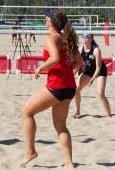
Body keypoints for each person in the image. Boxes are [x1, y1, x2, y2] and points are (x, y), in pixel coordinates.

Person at [20, 10, 83, 168]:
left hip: (57, 86)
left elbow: (55, 58)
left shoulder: (52, 38)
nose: (44, 18)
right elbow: (79, 61)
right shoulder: (66, 38)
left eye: (47, 17)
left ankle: (30, 151)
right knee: (61, 126)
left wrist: (39, 68)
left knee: (26, 113)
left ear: (51, 22)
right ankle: (69, 163)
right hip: (69, 87)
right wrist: (69, 71)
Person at [73, 34, 112, 118]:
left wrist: (92, 79)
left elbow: (98, 68)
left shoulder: (96, 50)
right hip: (88, 70)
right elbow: (78, 64)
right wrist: (72, 74)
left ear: (91, 39)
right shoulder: (80, 49)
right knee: (76, 89)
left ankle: (109, 115)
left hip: (100, 71)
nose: (85, 39)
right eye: (83, 37)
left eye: (87, 37)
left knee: (100, 94)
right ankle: (78, 111)